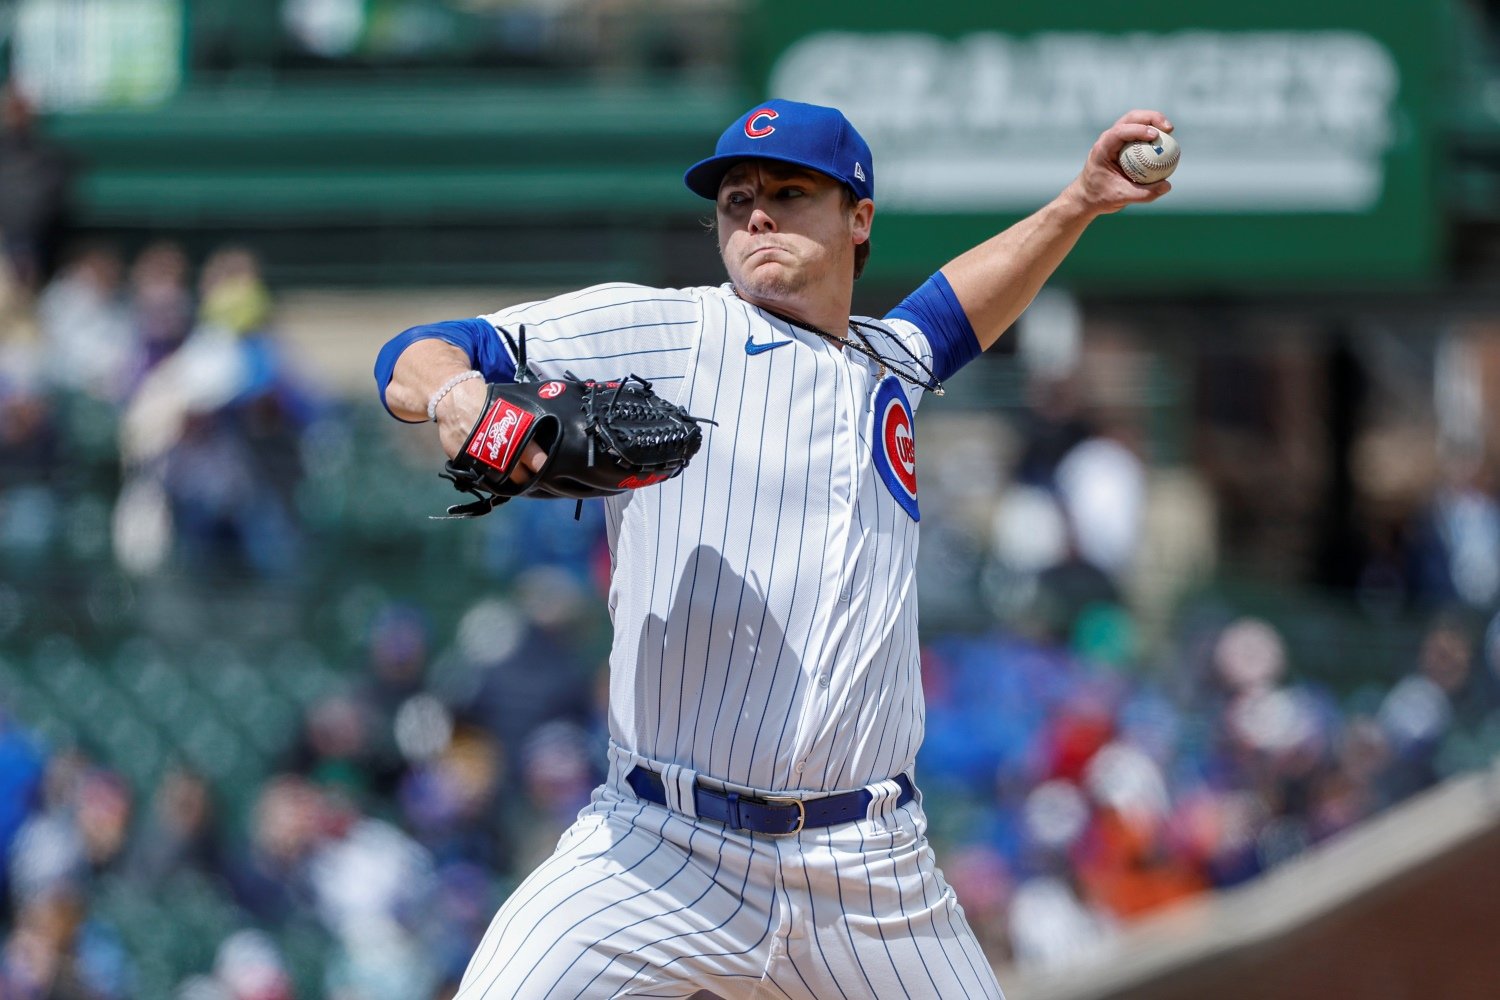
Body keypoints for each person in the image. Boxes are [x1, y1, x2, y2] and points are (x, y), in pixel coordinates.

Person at [374, 99, 1172, 999]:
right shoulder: (669, 331)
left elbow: (956, 310)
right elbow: (423, 350)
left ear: (858, 217)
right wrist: (456, 400)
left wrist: (1078, 203)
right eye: (736, 198)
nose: (755, 214)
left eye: (789, 193)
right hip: (659, 850)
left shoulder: (891, 365)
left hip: (871, 873)